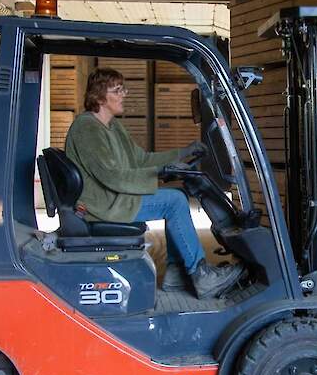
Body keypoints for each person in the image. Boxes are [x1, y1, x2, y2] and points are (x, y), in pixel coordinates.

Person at [64, 67, 243, 300]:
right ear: (99, 95)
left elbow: (141, 159)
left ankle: (176, 274)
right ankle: (202, 276)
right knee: (175, 202)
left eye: (123, 89)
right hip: (104, 204)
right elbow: (112, 176)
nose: (124, 94)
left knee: (176, 196)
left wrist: (183, 153)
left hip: (115, 198)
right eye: (118, 90)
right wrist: (160, 171)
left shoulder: (111, 126)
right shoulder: (87, 128)